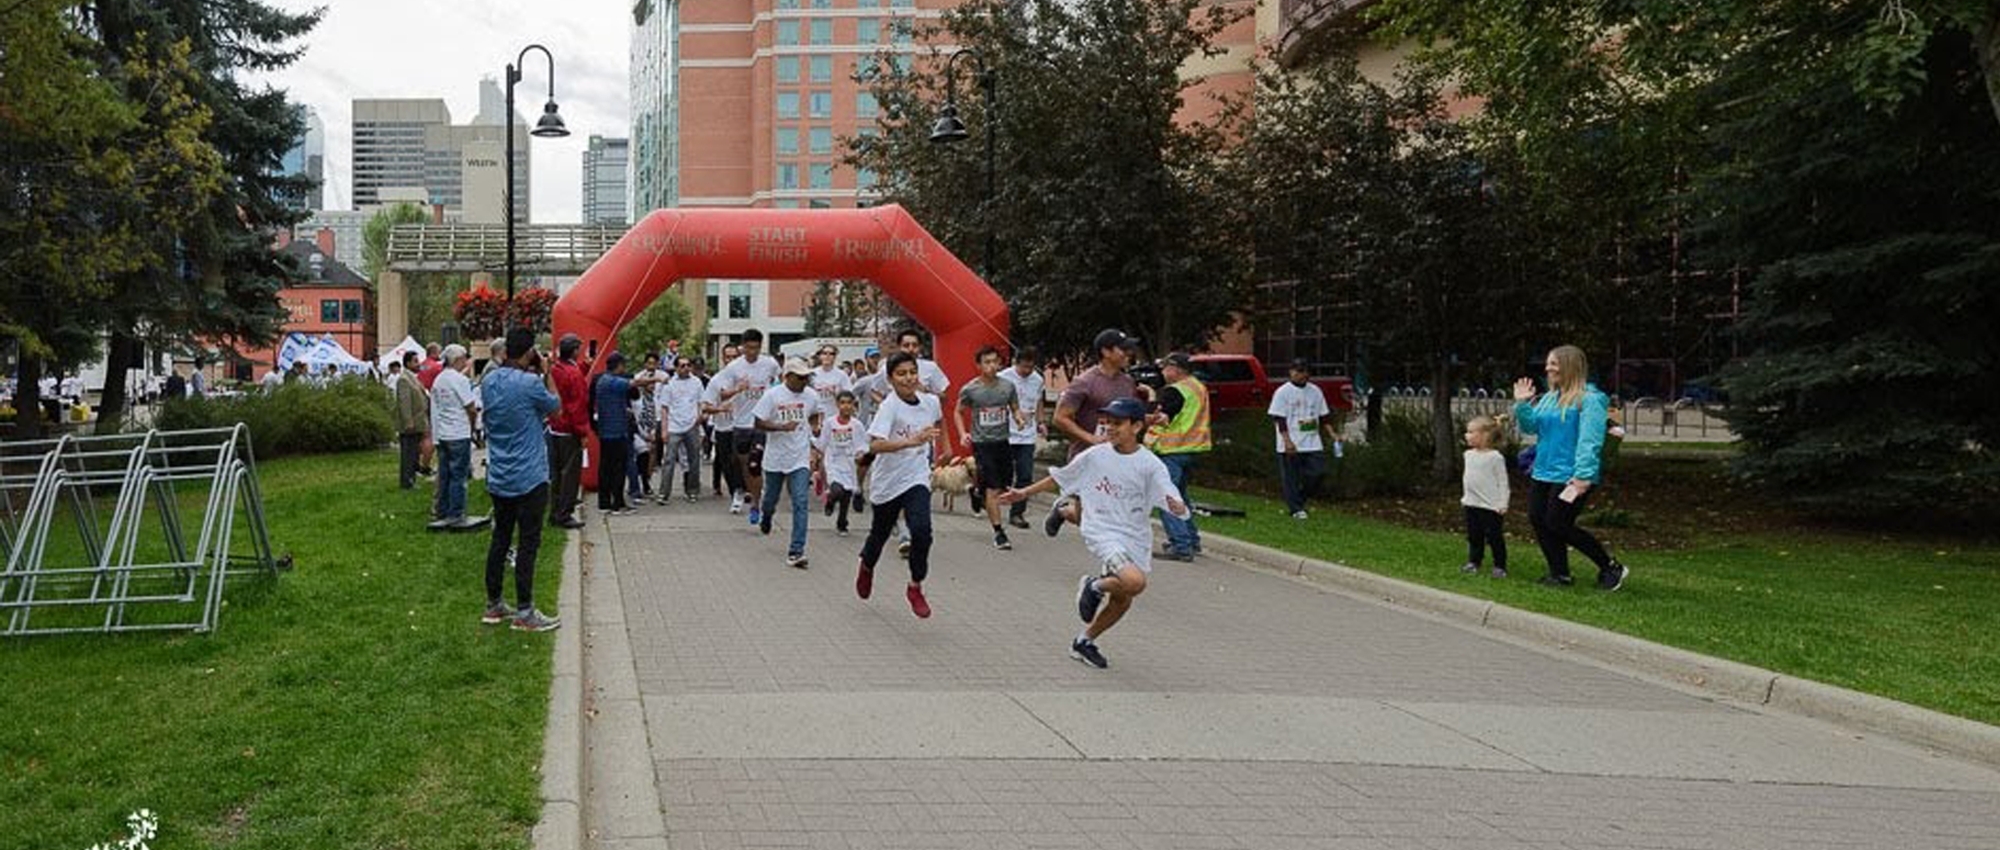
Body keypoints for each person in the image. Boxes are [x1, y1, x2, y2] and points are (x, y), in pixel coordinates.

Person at [998, 397, 1190, 670]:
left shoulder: (1150, 464)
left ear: (1136, 426)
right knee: (1135, 582)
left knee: (1123, 600)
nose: (1110, 428)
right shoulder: (1096, 455)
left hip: (1134, 535)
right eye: (1107, 422)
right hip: (1102, 530)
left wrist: (1177, 505)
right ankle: (1093, 585)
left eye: (1117, 423)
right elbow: (1061, 477)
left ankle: (1083, 641)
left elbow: (1170, 493)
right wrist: (1023, 493)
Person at [1513, 345, 1630, 591]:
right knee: (1538, 519)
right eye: (1547, 364)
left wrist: (1583, 476)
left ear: (1569, 366)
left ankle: (1610, 566)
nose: (1547, 368)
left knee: (1558, 523)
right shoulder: (1548, 399)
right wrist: (1522, 405)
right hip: (1543, 471)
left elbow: (1591, 439)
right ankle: (1560, 574)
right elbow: (1531, 428)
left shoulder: (1591, 399)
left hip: (1572, 475)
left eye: (1553, 363)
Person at [480, 327, 563, 632]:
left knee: (500, 539)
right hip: (529, 475)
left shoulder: (488, 381)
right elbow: (556, 407)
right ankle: (525, 611)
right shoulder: (530, 383)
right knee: (528, 543)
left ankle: (494, 604)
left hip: (500, 474)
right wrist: (547, 372)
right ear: (529, 352)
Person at [854, 352, 946, 619]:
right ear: (891, 379)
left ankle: (915, 586)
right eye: (902, 374)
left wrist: (946, 447)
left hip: (916, 476)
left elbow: (940, 420)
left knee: (922, 531)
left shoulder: (930, 402)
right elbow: (875, 444)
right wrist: (911, 441)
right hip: (888, 482)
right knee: (879, 535)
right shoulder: (890, 406)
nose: (909, 378)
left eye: (912, 372)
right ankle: (867, 565)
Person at [1045, 328, 1144, 536]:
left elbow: (1130, 416)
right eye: (1122, 350)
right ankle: (1064, 511)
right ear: (1106, 352)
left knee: (1108, 518)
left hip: (1118, 457)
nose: (1128, 354)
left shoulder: (1127, 383)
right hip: (1087, 456)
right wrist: (1091, 438)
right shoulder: (1085, 382)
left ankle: (1112, 564)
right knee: (1087, 520)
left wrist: (1148, 420)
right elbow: (1060, 417)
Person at [954, 345, 1023, 550]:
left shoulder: (1008, 386)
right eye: (987, 362)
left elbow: (1014, 407)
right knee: (993, 489)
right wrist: (962, 434)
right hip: (982, 443)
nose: (992, 366)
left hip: (1002, 441)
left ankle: (977, 491)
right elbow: (958, 411)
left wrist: (1018, 418)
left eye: (995, 361)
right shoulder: (970, 389)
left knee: (1003, 486)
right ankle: (999, 532)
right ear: (979, 365)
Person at [754, 357, 819, 568]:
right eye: (800, 377)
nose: (803, 381)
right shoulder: (773, 395)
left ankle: (796, 551)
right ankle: (767, 516)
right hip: (775, 458)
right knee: (771, 498)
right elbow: (758, 422)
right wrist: (781, 427)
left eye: (806, 377)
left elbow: (814, 415)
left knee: (800, 501)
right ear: (787, 376)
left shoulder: (811, 395)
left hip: (799, 457)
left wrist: (814, 430)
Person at [712, 330, 781, 523]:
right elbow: (723, 395)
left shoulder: (770, 364)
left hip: (761, 421)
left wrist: (774, 392)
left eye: (756, 348)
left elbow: (780, 382)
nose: (752, 352)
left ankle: (757, 504)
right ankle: (746, 491)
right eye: (749, 348)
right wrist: (738, 389)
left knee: (755, 463)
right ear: (743, 347)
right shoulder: (733, 368)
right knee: (744, 464)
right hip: (741, 423)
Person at [1147, 352, 1211, 560]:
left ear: (1176, 369)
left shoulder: (1175, 391)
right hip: (1192, 449)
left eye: (1165, 368)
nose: (1163, 372)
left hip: (1172, 450)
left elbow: (1161, 419)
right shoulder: (1198, 387)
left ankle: (1181, 545)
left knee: (1167, 498)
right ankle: (1192, 540)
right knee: (1180, 496)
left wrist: (1148, 400)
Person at [590, 352, 662, 517]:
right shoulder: (613, 382)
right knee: (618, 469)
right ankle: (617, 505)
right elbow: (636, 383)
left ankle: (604, 502)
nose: (624, 369)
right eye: (623, 365)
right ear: (618, 365)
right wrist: (656, 379)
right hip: (617, 433)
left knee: (605, 468)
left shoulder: (602, 380)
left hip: (605, 432)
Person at [1268, 359, 1336, 520]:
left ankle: (1299, 499)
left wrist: (1333, 434)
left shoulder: (1315, 391)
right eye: (1298, 371)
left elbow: (1324, 415)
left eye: (1304, 371)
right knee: (1291, 477)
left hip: (1312, 441)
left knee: (1318, 472)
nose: (1301, 374)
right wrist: (1287, 441)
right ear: (1291, 372)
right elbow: (1279, 418)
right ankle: (1295, 509)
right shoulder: (1282, 392)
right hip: (1291, 441)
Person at [430, 345, 479, 529]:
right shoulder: (460, 380)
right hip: (459, 433)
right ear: (458, 359)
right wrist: (473, 427)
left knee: (445, 475)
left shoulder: (439, 380)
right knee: (459, 476)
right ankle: (456, 513)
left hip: (443, 434)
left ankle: (442, 511)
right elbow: (471, 407)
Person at [997, 346, 1046, 530]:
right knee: (1002, 474)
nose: (1027, 371)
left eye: (1030, 367)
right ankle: (986, 497)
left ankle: (1017, 513)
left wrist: (1041, 422)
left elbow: (1039, 402)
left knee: (1025, 475)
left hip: (1027, 435)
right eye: (1023, 367)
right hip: (1005, 433)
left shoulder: (1038, 379)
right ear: (1015, 363)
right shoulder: (1003, 377)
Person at [546, 334, 589, 530]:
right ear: (574, 351)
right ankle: (565, 514)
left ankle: (555, 511)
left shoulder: (555, 369)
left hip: (554, 428)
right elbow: (577, 405)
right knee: (570, 475)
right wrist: (583, 432)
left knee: (556, 474)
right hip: (570, 429)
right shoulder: (574, 374)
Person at [1460, 414, 1510, 578]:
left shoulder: (1495, 457)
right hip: (1471, 504)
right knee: (1474, 536)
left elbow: (1503, 482)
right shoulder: (1468, 455)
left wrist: (1503, 502)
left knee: (1494, 537)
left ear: (1484, 435)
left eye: (1471, 432)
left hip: (1490, 506)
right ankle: (1474, 561)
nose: (1467, 435)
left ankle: (1500, 565)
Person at [655, 356, 705, 504]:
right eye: (682, 366)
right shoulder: (669, 384)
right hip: (674, 427)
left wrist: (700, 418)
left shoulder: (696, 382)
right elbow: (664, 408)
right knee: (669, 460)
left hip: (692, 425)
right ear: (676, 368)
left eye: (688, 365)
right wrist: (664, 430)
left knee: (694, 460)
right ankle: (664, 493)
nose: (685, 368)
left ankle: (692, 491)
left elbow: (701, 402)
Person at [814, 390, 865, 536]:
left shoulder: (857, 425)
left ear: (853, 405)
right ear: (837, 405)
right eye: (842, 403)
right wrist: (817, 457)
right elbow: (822, 443)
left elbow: (862, 444)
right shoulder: (830, 423)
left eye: (849, 403)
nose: (846, 406)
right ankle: (830, 500)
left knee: (846, 495)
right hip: (833, 461)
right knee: (837, 490)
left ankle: (842, 523)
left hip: (849, 463)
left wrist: (860, 454)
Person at [631, 353, 666, 501]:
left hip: (655, 421)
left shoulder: (663, 377)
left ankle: (646, 481)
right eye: (649, 363)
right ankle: (640, 481)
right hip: (639, 426)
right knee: (641, 454)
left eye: (654, 363)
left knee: (652, 451)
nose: (651, 366)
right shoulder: (638, 380)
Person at [394, 351, 431, 490]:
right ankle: (407, 482)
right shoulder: (404, 379)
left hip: (418, 422)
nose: (418, 363)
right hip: (411, 424)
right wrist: (408, 421)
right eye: (415, 361)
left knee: (414, 453)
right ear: (408, 363)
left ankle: (411, 479)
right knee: (408, 454)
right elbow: (404, 402)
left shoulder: (414, 378)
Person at [808, 344, 852, 425]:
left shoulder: (842, 375)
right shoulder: (812, 374)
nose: (827, 356)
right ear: (820, 356)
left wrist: (835, 393)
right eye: (824, 353)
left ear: (835, 357)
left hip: (834, 414)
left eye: (831, 354)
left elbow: (849, 396)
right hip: (816, 415)